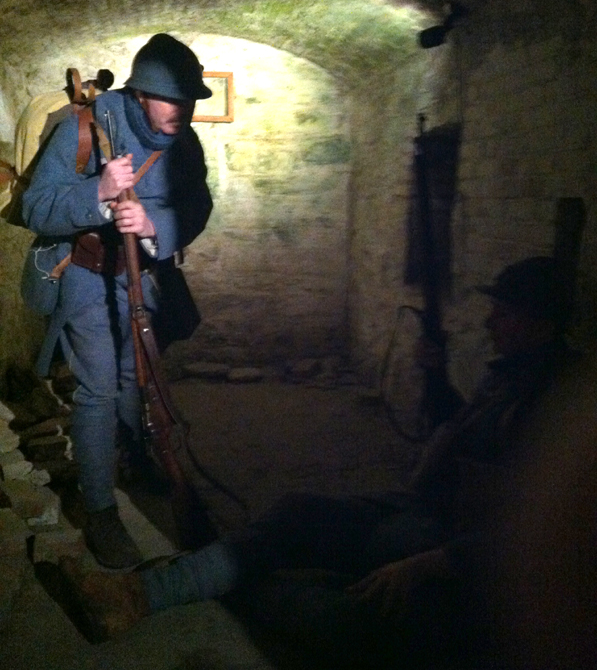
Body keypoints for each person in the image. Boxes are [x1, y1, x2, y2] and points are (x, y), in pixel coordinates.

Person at [59, 256, 574, 657]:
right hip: (415, 520)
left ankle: (221, 579)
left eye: (505, 313)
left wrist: (433, 563)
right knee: (294, 515)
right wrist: (438, 380)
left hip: (469, 578)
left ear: (542, 326)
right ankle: (140, 595)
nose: (490, 322)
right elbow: (461, 439)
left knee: (335, 619)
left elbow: (542, 533)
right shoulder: (509, 375)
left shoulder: (560, 409)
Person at [22, 34, 213, 570]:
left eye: (190, 100)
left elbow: (198, 204)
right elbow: (37, 207)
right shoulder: (85, 127)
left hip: (144, 275)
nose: (183, 111)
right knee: (99, 389)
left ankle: (136, 457)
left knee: (139, 377)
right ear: (138, 95)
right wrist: (99, 194)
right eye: (172, 99)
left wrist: (155, 225)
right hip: (87, 273)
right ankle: (101, 509)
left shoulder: (185, 141)